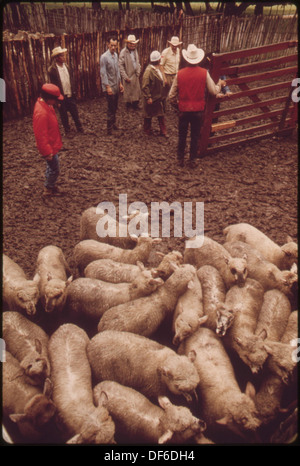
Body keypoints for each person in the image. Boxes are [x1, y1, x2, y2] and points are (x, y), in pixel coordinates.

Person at [169, 44, 226, 167]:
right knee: (195, 135)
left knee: (182, 135)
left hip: (183, 110)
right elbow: (213, 91)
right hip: (198, 110)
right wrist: (220, 85)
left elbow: (171, 96)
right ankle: (192, 160)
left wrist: (177, 104)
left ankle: (180, 159)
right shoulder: (204, 73)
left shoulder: (179, 74)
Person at [33, 83, 64, 197]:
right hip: (49, 147)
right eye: (55, 100)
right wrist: (47, 152)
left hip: (52, 143)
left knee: (51, 167)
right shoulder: (41, 113)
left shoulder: (46, 105)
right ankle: (48, 188)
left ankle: (50, 184)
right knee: (55, 169)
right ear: (49, 98)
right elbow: (40, 136)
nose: (57, 102)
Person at [48, 46, 84, 135]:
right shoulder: (52, 70)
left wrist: (74, 91)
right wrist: (56, 99)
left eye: (64, 55)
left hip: (70, 94)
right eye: (62, 56)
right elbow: (53, 86)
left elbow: (71, 80)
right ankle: (67, 131)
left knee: (74, 112)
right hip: (60, 96)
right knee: (63, 114)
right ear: (57, 58)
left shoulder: (67, 67)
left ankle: (80, 128)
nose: (64, 57)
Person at [100, 36, 124, 135]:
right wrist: (107, 86)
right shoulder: (104, 57)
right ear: (107, 45)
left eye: (115, 45)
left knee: (115, 106)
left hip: (116, 85)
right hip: (109, 85)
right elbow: (103, 73)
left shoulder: (116, 55)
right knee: (110, 107)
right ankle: (109, 129)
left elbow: (117, 70)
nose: (113, 47)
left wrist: (120, 83)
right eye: (111, 45)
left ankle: (114, 124)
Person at [141, 51, 168, 138]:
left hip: (158, 97)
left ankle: (163, 131)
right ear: (158, 60)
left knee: (161, 114)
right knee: (148, 115)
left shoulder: (157, 69)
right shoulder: (149, 71)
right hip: (151, 97)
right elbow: (145, 86)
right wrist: (148, 97)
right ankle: (147, 130)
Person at [119, 34, 141, 110]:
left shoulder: (135, 51)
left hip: (135, 74)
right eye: (131, 43)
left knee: (136, 90)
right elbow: (121, 66)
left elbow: (137, 61)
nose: (132, 45)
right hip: (128, 73)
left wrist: (138, 71)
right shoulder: (123, 52)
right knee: (128, 90)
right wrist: (125, 76)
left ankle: (135, 104)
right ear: (127, 44)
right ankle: (128, 104)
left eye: (134, 44)